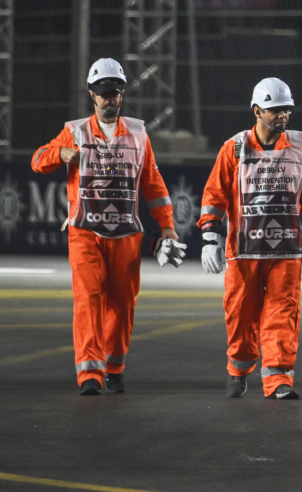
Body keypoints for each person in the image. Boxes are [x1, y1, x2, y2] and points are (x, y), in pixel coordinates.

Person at [32, 58, 185, 395]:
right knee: (87, 299)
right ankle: (89, 373)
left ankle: (114, 366)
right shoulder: (74, 131)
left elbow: (154, 186)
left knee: (122, 304)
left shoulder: (139, 134)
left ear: (122, 94)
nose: (110, 99)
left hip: (127, 236)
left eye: (115, 92)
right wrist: (61, 154)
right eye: (103, 93)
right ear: (92, 95)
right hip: (85, 233)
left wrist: (168, 227)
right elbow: (38, 159)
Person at [197, 78, 302, 400]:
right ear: (257, 111)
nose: (283, 115)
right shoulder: (235, 148)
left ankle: (278, 379)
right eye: (275, 110)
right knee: (240, 314)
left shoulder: (301, 149)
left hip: (286, 251)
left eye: (286, 109)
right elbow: (214, 195)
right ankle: (239, 369)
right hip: (243, 253)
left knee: (283, 313)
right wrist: (210, 238)